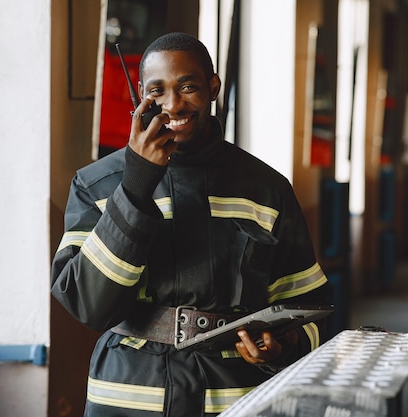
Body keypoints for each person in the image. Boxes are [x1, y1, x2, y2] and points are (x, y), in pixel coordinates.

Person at [51, 32, 333, 417]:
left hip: (237, 396)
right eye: (158, 91)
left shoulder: (267, 189)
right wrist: (135, 186)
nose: (173, 104)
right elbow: (88, 306)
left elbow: (308, 303)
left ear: (213, 87)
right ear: (140, 95)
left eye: (188, 87)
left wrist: (284, 345)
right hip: (129, 395)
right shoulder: (97, 185)